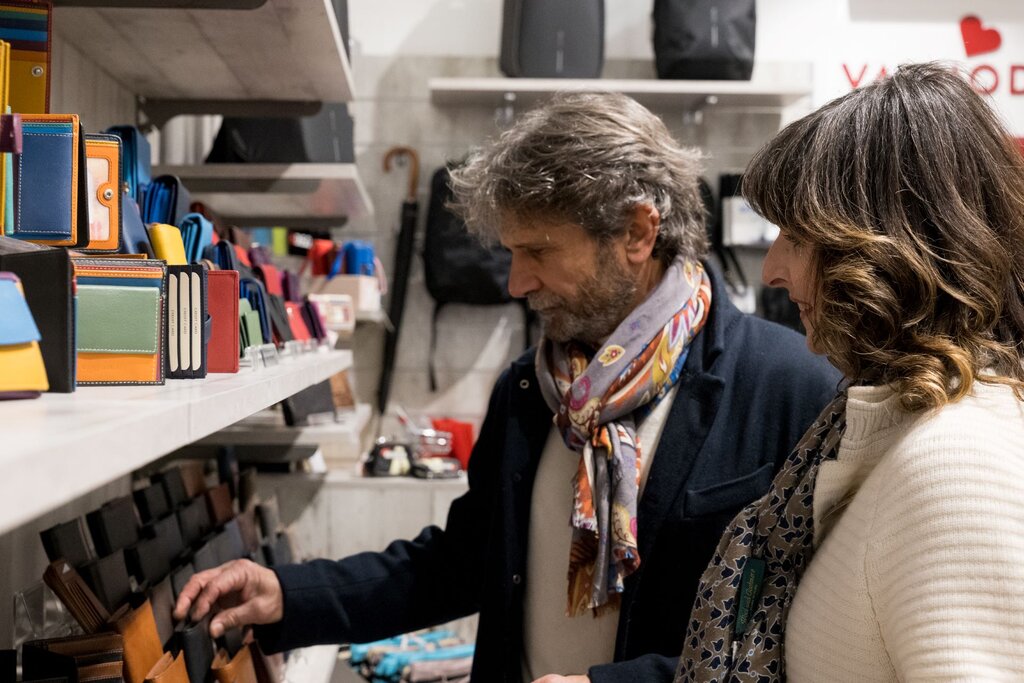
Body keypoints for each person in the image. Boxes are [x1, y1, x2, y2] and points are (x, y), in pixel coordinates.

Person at [174, 93, 839, 683]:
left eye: (539, 252)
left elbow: (797, 640)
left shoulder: (788, 390)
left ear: (637, 232)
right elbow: (464, 562)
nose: (516, 282)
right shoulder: (530, 389)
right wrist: (289, 595)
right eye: (512, 252)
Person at [676, 62, 1024, 683]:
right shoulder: (892, 426)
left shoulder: (955, 463)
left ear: (885, 247)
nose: (770, 270)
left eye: (796, 236)